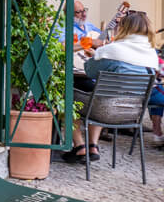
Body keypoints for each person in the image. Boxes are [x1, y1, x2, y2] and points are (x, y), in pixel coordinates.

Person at [62, 11, 158, 163]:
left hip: (104, 109)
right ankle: (93, 145)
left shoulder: (112, 51)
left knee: (66, 95)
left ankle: (80, 146)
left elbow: (89, 70)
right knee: (98, 92)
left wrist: (94, 56)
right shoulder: (151, 55)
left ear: (124, 28)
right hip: (131, 113)